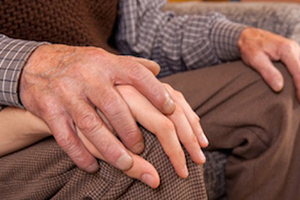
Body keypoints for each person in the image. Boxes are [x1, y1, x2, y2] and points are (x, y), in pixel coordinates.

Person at [0, 0, 300, 199]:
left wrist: (237, 37)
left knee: (275, 89)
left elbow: (144, 29)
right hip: (10, 123)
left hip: (102, 82)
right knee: (145, 131)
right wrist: (33, 66)